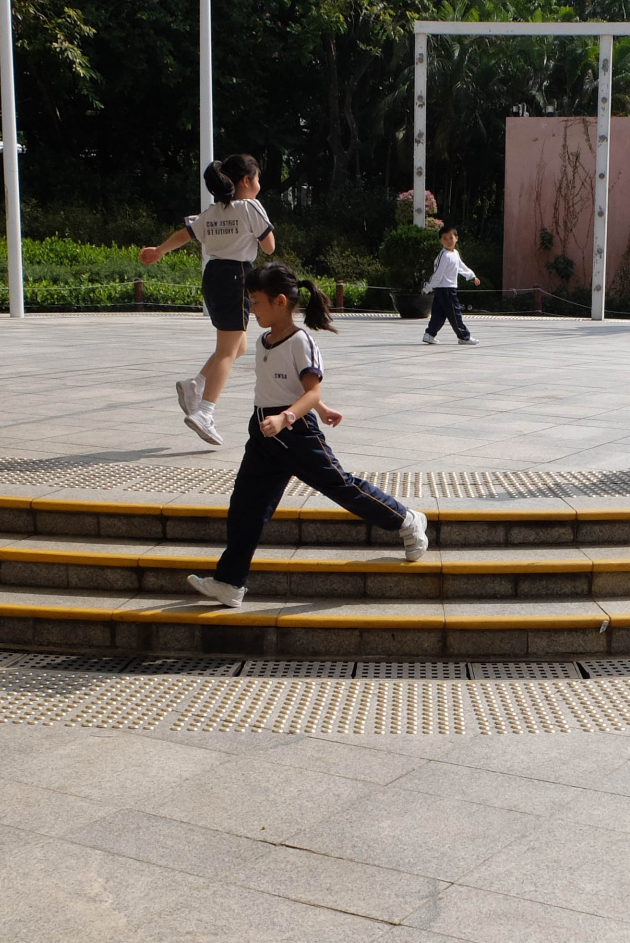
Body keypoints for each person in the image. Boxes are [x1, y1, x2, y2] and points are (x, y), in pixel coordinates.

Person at [186, 263, 429, 608]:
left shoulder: (301, 341)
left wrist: (290, 416)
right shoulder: (264, 340)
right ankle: (230, 582)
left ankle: (407, 519)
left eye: (256, 302)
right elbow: (296, 387)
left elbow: (312, 390)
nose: (252, 309)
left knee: (341, 486)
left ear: (280, 302)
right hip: (264, 432)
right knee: (245, 506)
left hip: (294, 432)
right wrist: (319, 409)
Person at [141, 154, 276, 447]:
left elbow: (186, 234)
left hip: (213, 275)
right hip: (237, 276)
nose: (259, 184)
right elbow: (269, 246)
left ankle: (196, 383)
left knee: (238, 345)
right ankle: (205, 411)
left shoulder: (213, 211)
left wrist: (159, 250)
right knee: (228, 351)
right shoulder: (251, 207)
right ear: (246, 180)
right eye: (257, 178)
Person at [421, 226, 480, 346]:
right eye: (444, 238)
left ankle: (429, 334)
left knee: (439, 314)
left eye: (450, 238)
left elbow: (461, 267)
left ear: (456, 238)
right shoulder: (445, 256)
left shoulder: (455, 254)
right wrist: (428, 287)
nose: (448, 241)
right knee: (455, 313)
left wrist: (471, 276)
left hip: (445, 289)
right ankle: (464, 337)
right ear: (440, 241)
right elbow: (438, 274)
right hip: (446, 290)